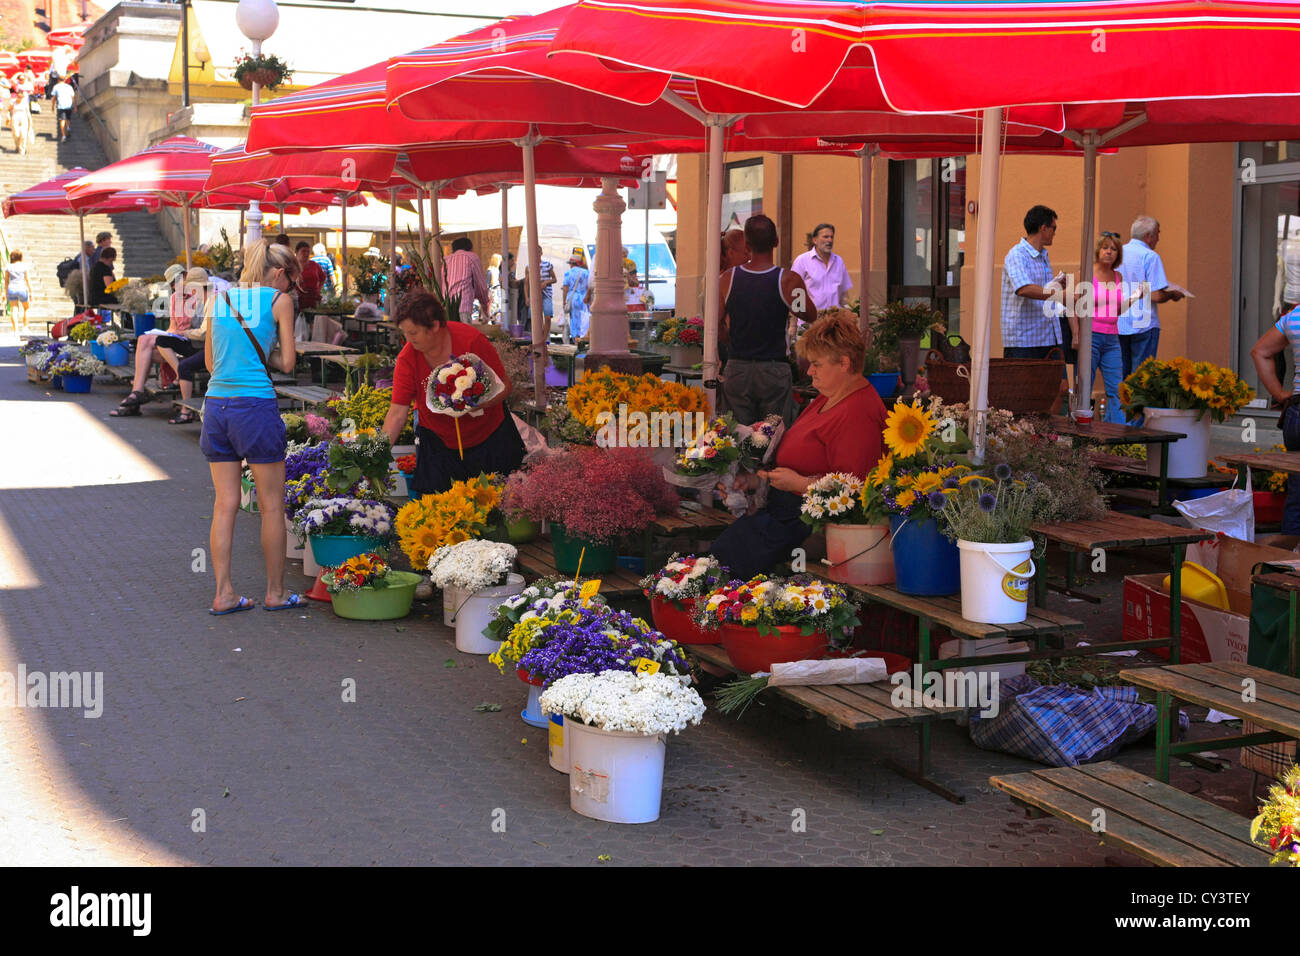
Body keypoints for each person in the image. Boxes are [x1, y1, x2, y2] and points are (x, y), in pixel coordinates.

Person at [710, 313, 887, 579]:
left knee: (722, 564)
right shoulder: (828, 397)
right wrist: (760, 481)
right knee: (718, 559)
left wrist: (799, 484)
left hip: (810, 525)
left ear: (844, 363)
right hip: (787, 512)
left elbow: (854, 491)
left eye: (816, 364)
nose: (809, 371)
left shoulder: (858, 413)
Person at [200, 239, 300, 615]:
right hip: (255, 406)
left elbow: (211, 363)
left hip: (216, 407)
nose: (291, 287)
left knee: (225, 505)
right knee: (272, 505)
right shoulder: (279, 301)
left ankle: (224, 593)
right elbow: (288, 363)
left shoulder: (217, 299)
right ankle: (275, 592)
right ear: (278, 273)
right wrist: (268, 346)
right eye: (291, 278)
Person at [381, 286, 525, 495]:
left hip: (489, 438)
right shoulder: (407, 358)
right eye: (404, 333)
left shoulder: (471, 341)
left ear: (435, 325)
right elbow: (397, 413)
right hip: (439, 445)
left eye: (413, 332)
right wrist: (376, 454)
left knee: (497, 507)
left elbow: (505, 386)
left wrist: (477, 402)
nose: (408, 339)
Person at [717, 214, 814, 426]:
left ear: (748, 245)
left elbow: (715, 325)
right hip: (773, 370)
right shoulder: (788, 280)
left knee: (737, 436)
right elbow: (807, 314)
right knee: (774, 436)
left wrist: (730, 340)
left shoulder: (727, 279)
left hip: (737, 368)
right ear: (776, 241)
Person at [111, 267, 210, 418]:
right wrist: (172, 334)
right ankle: (137, 393)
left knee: (150, 346)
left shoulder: (199, 297)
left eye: (179, 280)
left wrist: (179, 334)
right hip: (180, 343)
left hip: (193, 343)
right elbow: (173, 327)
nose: (176, 285)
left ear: (186, 277)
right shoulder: (175, 298)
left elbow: (200, 330)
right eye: (172, 283)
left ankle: (136, 396)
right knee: (147, 341)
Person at [1085, 233, 1146, 424]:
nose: (1109, 252)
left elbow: (1117, 309)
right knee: (1085, 386)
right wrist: (1077, 335)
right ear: (1098, 251)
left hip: (1112, 337)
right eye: (1105, 248)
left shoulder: (1117, 276)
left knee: (1116, 388)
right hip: (1091, 335)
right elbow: (1074, 305)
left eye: (1113, 249)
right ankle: (1082, 431)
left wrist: (1136, 297)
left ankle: (1118, 434)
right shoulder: (1087, 272)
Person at [1117, 215, 1185, 380]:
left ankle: (1120, 406)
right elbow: (1155, 295)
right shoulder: (1150, 256)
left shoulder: (1118, 253)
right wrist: (1172, 294)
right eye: (1157, 234)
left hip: (1120, 321)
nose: (1158, 239)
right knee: (1141, 378)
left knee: (1121, 375)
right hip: (1144, 323)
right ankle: (1135, 407)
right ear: (1149, 236)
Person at [1251, 309, 1300, 532]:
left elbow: (1260, 351)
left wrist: (1280, 394)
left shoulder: (1295, 316)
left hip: (1297, 412)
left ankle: (1286, 561)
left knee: (1297, 495)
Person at [1002, 204, 1069, 358]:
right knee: (1028, 383)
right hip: (1025, 340)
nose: (1055, 233)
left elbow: (1039, 290)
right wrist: (1059, 295)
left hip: (1048, 335)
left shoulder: (1043, 255)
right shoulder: (1017, 255)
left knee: (1060, 382)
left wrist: (1056, 285)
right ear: (1043, 228)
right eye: (1054, 228)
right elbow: (1024, 288)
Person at [791, 222, 853, 311]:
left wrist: (849, 317)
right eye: (825, 237)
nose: (830, 240)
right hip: (810, 320)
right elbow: (794, 292)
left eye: (832, 237)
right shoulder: (802, 260)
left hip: (834, 320)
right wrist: (793, 324)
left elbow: (844, 295)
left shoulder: (839, 261)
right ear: (815, 240)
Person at [443, 236, 490, 322]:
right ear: (470, 248)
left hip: (446, 308)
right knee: (463, 334)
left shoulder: (446, 260)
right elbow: (480, 284)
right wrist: (484, 304)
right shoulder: (471, 257)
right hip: (463, 306)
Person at [561, 248, 591, 341]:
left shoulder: (568, 273)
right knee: (584, 319)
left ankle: (576, 339)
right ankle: (583, 337)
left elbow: (565, 288)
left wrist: (564, 301)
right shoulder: (587, 272)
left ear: (571, 264)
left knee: (574, 319)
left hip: (573, 298)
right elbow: (590, 285)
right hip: (585, 298)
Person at [295, 241, 326, 310]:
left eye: (308, 251)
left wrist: (318, 289)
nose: (306, 254)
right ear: (297, 252)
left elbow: (323, 278)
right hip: (297, 301)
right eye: (303, 251)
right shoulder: (292, 266)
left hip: (314, 300)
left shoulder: (314, 265)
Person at [6, 250, 31, 332]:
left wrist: (6, 291)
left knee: (14, 309)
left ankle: (15, 329)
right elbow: (27, 280)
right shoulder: (24, 266)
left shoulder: (9, 266)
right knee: (26, 308)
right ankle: (25, 327)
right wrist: (30, 291)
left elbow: (6, 280)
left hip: (12, 288)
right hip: (22, 288)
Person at [50, 75, 74, 143]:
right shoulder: (69, 87)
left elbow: (54, 97)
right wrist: (75, 106)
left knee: (62, 120)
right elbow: (73, 97)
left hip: (61, 105)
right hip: (69, 105)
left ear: (58, 80)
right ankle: (68, 128)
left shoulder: (56, 87)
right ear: (64, 80)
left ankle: (63, 135)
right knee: (68, 118)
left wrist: (52, 106)